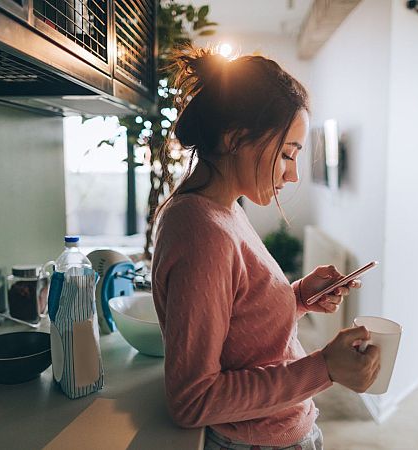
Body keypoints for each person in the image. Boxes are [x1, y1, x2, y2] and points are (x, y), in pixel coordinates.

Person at [151, 46, 381, 450]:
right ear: (236, 138)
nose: (292, 174)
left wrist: (297, 297)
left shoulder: (222, 209)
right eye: (287, 154)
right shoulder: (201, 231)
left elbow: (238, 327)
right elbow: (193, 400)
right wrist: (323, 367)